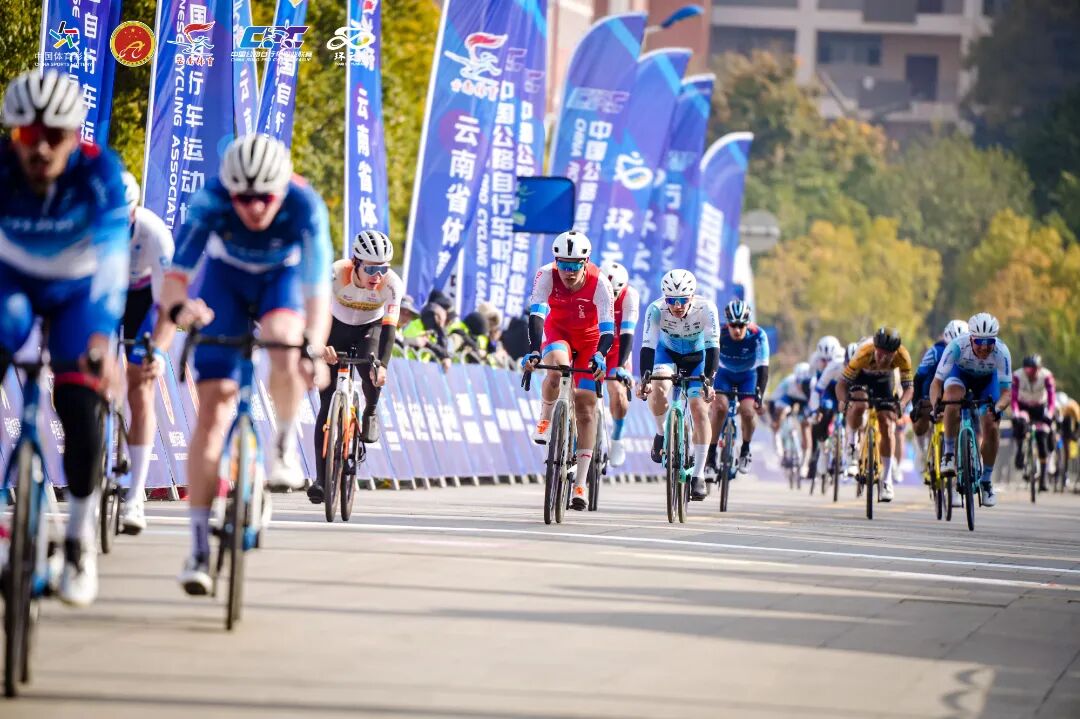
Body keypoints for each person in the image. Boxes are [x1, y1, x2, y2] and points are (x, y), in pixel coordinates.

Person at [155, 133, 332, 595]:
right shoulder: (210, 200)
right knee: (213, 412)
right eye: (243, 198)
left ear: (282, 189)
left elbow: (318, 294)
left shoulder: (305, 205)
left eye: (265, 198)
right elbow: (175, 280)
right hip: (225, 282)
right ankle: (197, 547)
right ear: (229, 190)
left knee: (285, 338)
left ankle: (283, 446)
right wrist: (181, 311)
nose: (254, 207)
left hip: (281, 280)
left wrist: (314, 348)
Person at [0, 69, 130, 606]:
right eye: (28, 135)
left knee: (79, 402)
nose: (40, 148)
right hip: (12, 281)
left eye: (54, 135)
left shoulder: (100, 172)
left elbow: (114, 262)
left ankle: (78, 543)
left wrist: (101, 337)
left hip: (81, 290)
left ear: (75, 136)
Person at [521, 230, 615, 511]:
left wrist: (600, 355)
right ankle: (545, 417)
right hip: (558, 332)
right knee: (557, 369)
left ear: (585, 263)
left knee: (586, 408)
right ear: (556, 262)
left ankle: (581, 483)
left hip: (589, 341)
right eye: (563, 264)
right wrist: (535, 350)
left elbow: (608, 329)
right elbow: (536, 315)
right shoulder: (545, 275)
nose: (569, 272)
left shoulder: (600, 282)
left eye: (575, 266)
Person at [307, 230, 402, 504]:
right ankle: (321, 480)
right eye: (371, 268)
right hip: (333, 329)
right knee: (327, 406)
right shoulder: (335, 274)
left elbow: (390, 329)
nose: (377, 276)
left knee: (372, 370)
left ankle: (370, 410)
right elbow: (315, 314)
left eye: (383, 268)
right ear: (355, 263)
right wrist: (320, 345)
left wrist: (382, 366)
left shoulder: (392, 284)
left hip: (368, 331)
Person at [115, 171, 175, 534]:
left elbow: (168, 305)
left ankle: (135, 495)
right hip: (104, 294)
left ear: (134, 211)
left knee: (141, 387)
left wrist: (158, 352)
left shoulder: (153, 233)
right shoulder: (88, 223)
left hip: (143, 300)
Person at [638, 269, 719, 502]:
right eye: (671, 300)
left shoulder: (706, 308)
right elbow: (648, 346)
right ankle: (661, 433)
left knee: (699, 408)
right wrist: (645, 379)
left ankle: (699, 474)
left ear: (692, 296)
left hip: (697, 358)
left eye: (682, 300)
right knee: (658, 389)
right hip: (667, 354)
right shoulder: (655, 309)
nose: (677, 306)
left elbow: (713, 347)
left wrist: (709, 381)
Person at [929, 313, 1012, 508]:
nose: (984, 347)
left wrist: (997, 408)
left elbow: (1007, 393)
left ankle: (986, 481)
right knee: (952, 399)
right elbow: (936, 383)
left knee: (991, 425)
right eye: (979, 341)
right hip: (960, 376)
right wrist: (936, 405)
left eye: (989, 342)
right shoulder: (957, 346)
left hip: (987, 382)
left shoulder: (1002, 352)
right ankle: (949, 454)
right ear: (971, 338)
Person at [837, 326, 914, 502]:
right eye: (879, 354)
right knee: (859, 405)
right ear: (874, 348)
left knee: (886, 422)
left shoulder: (903, 356)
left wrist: (901, 404)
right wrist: (844, 401)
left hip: (884, 381)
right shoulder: (863, 352)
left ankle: (887, 480)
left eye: (888, 356)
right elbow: (842, 384)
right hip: (861, 378)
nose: (883, 358)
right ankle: (852, 447)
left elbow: (909, 388)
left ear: (895, 353)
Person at [706, 299, 769, 475]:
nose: (737, 330)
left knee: (748, 412)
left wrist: (759, 396)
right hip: (724, 373)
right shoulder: (719, 332)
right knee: (719, 408)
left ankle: (745, 450)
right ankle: (710, 456)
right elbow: (708, 357)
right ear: (727, 323)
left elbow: (763, 368)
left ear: (747, 324)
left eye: (741, 325)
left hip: (748, 376)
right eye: (733, 325)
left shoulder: (758, 335)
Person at [600, 260, 639, 468]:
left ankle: (617, 438)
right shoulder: (592, 288)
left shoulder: (630, 296)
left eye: (614, 294)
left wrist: (622, 366)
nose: (610, 298)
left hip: (616, 349)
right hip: (592, 345)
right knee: (577, 390)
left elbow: (627, 333)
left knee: (618, 391)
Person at [911, 319, 969, 438]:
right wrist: (916, 404)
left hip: (954, 390)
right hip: (931, 389)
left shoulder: (972, 354)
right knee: (919, 429)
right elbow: (918, 378)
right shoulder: (935, 352)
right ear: (945, 342)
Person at [805, 339, 851, 484]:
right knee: (824, 409)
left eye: (829, 360)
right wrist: (814, 410)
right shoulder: (816, 361)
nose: (826, 363)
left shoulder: (842, 360)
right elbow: (814, 388)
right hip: (827, 387)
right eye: (823, 360)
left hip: (844, 386)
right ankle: (822, 445)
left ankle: (848, 451)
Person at [1011, 354, 1057, 492]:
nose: (1030, 373)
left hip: (1040, 407)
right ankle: (1020, 449)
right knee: (1019, 424)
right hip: (1023, 406)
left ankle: (1043, 478)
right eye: (1027, 370)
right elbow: (1013, 398)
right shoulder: (1017, 376)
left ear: (1039, 368)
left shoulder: (1047, 376)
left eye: (1033, 370)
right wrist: (1015, 413)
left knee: (1043, 436)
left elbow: (1052, 398)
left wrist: (1049, 414)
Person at [768, 361, 813, 469]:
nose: (800, 386)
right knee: (781, 410)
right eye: (798, 382)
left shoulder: (812, 385)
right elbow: (773, 400)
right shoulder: (788, 382)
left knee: (806, 425)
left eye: (804, 384)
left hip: (805, 401)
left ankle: (805, 462)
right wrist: (775, 420)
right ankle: (777, 437)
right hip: (788, 398)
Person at [1058, 391, 1079, 488]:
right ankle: (1064, 475)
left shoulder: (1073, 408)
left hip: (1072, 432)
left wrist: (1075, 436)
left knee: (1070, 453)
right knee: (1065, 453)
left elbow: (1077, 425)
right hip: (1065, 433)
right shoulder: (1062, 411)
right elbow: (1061, 427)